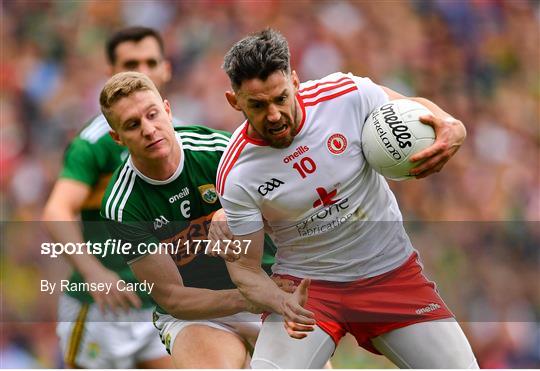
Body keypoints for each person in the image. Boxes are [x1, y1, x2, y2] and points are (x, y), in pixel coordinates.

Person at [213, 28, 479, 368]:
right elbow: (246, 271)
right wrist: (281, 301)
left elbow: (417, 111)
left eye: (280, 98)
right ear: (234, 101)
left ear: (295, 81)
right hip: (308, 290)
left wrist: (453, 126)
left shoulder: (347, 95)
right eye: (258, 105)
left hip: (391, 274)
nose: (275, 115)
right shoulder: (236, 173)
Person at [98, 71, 284, 368]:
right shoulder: (122, 206)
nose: (149, 129)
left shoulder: (220, 152)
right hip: (198, 316)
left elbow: (286, 208)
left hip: (267, 287)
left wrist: (238, 209)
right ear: (117, 138)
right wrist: (247, 299)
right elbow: (173, 298)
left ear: (168, 111)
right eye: (133, 125)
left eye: (153, 114)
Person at [42, 26, 176, 368]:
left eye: (150, 62)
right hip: (104, 308)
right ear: (110, 75)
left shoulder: (182, 134)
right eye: (131, 64)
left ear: (166, 69)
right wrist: (93, 272)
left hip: (162, 306)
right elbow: (56, 211)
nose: (142, 72)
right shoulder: (95, 142)